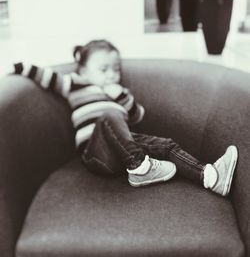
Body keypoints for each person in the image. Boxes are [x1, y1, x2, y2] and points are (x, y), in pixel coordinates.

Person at [10, 39, 238, 196]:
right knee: (108, 117)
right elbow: (44, 75)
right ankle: (139, 167)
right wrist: (16, 67)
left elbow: (138, 115)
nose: (112, 74)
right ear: (82, 71)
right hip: (96, 153)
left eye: (116, 69)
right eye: (104, 69)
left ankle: (210, 177)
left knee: (166, 145)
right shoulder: (75, 84)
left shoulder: (120, 93)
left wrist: (119, 95)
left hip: (123, 152)